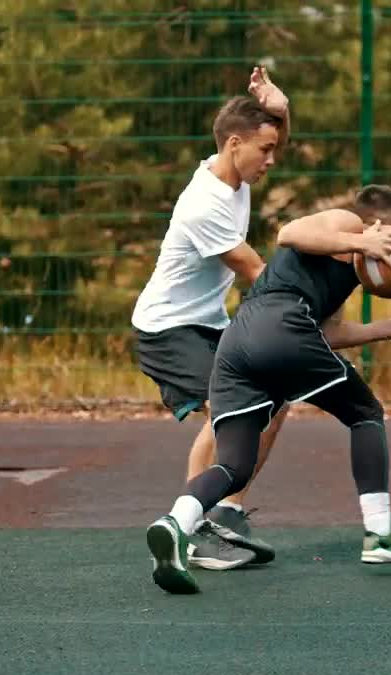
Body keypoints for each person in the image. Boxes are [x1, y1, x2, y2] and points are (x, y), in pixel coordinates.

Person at [144, 184, 391, 595]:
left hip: (240, 342)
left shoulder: (343, 270)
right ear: (378, 225)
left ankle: (175, 523)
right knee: (365, 413)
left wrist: (387, 329)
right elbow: (289, 232)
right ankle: (381, 534)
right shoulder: (345, 223)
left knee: (235, 465)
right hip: (278, 326)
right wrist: (363, 238)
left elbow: (326, 331)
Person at [130, 68, 292, 571]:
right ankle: (193, 531)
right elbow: (256, 273)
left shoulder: (232, 171)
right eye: (265, 151)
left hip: (206, 322)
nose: (271, 159)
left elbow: (268, 133)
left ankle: (228, 511)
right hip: (167, 330)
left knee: (277, 393)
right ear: (234, 143)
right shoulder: (205, 205)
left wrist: (281, 111)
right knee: (228, 409)